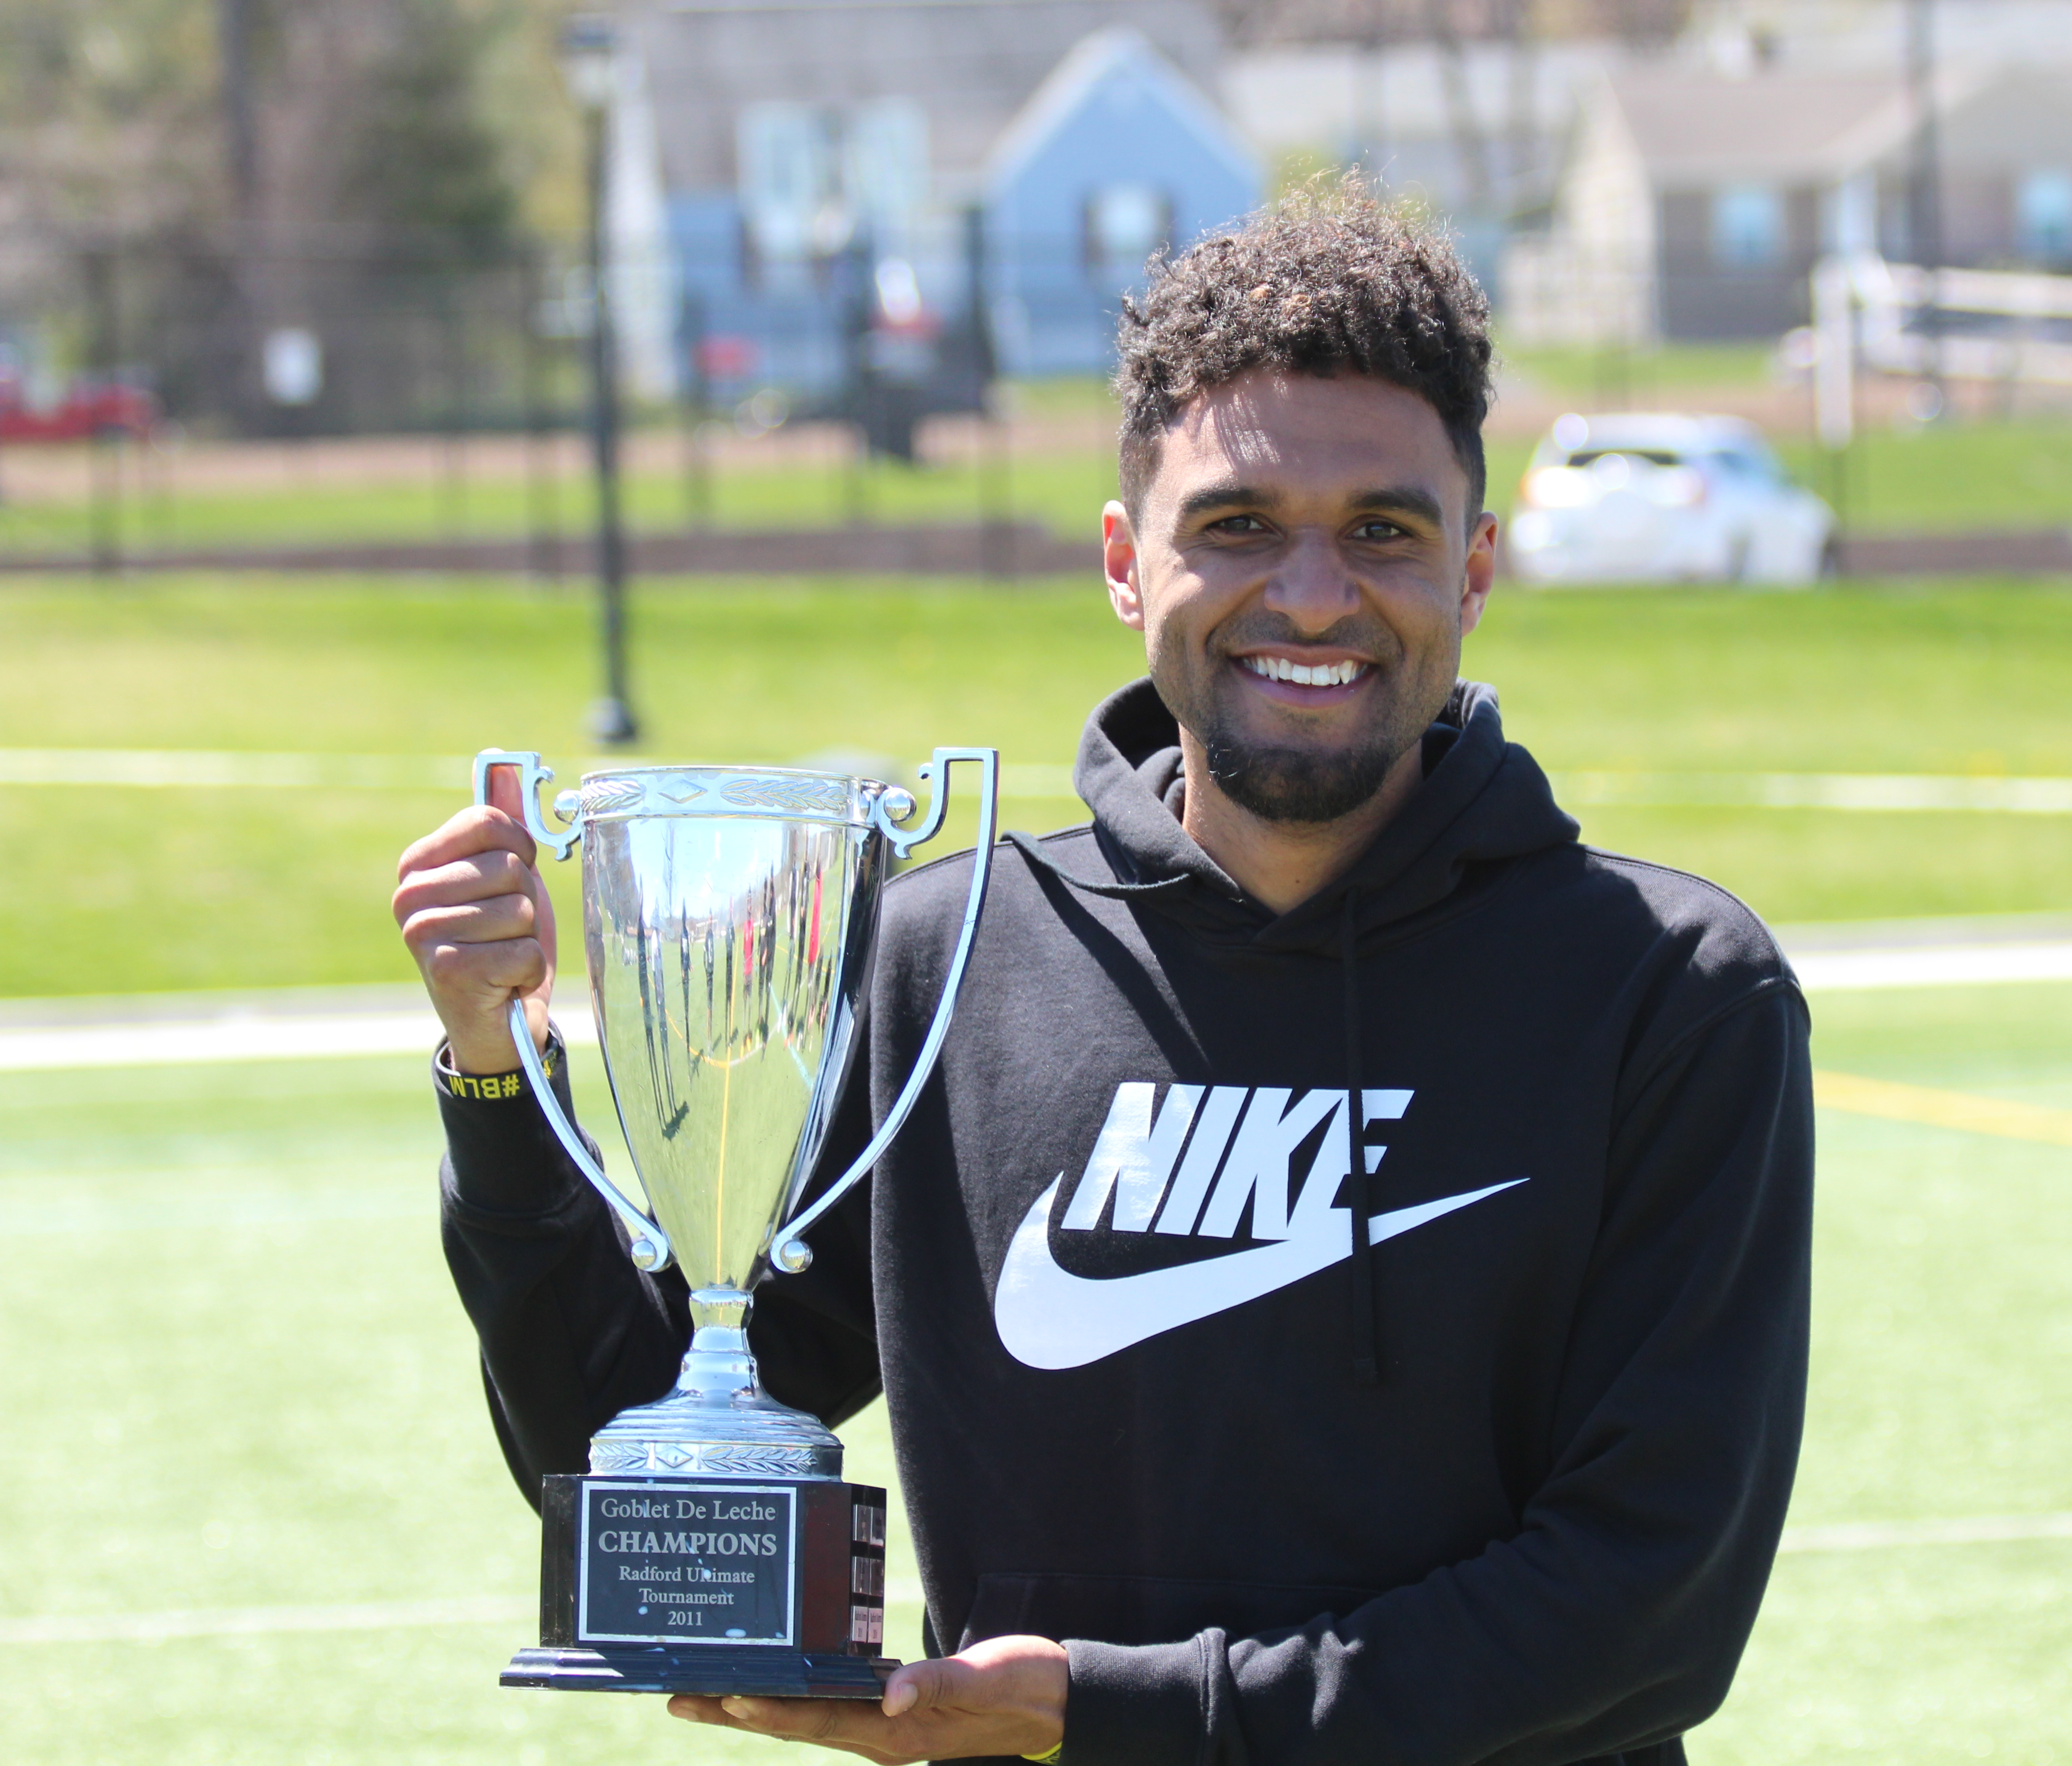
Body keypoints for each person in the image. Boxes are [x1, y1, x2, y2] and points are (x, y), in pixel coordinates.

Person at [393, 185, 1813, 1766]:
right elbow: (630, 1443)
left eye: (1383, 531)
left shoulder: (1671, 992)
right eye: (1239, 526)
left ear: (1474, 571)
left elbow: (1650, 1606)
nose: (1315, 594)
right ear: (1128, 565)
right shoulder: (944, 960)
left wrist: (1112, 1715)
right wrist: (493, 1070)